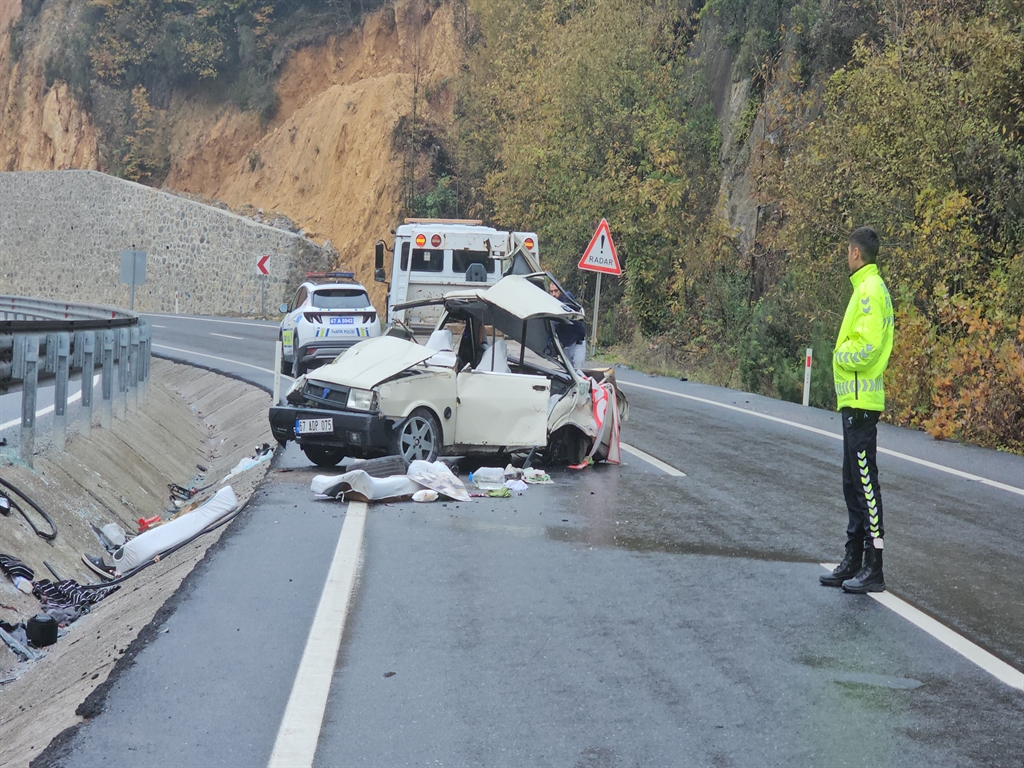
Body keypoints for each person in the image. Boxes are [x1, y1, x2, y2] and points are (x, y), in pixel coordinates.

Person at [820, 226, 895, 594]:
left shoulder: (868, 292)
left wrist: (839, 355)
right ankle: (853, 558)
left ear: (854, 253)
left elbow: (867, 347)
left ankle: (874, 566)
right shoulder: (867, 288)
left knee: (866, 484)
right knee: (852, 482)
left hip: (862, 403)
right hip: (855, 402)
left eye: (846, 251)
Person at [548, 282, 587, 369]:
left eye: (556, 291)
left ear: (561, 290)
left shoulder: (567, 297)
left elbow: (563, 315)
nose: (554, 294)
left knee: (578, 371)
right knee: (568, 373)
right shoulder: (550, 303)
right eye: (551, 292)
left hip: (577, 343)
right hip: (565, 345)